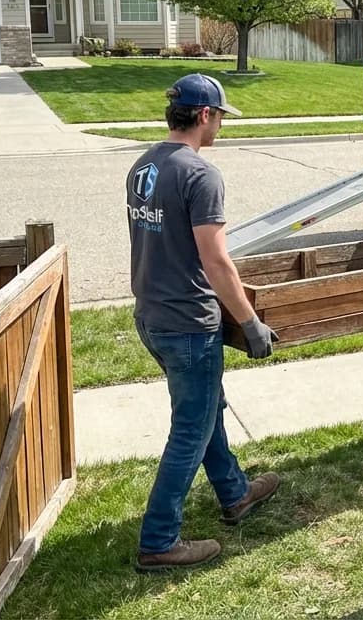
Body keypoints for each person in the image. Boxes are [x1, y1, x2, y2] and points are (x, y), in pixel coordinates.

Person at [126, 73, 281, 572]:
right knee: (190, 430)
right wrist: (250, 322)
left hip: (151, 315)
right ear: (204, 115)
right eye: (220, 117)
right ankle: (159, 540)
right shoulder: (200, 174)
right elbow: (216, 261)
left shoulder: (144, 165)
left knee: (206, 407)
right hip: (189, 322)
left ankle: (235, 493)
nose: (221, 127)